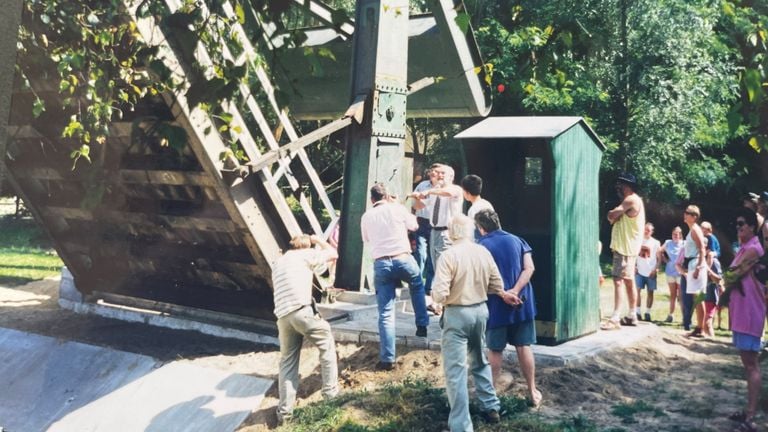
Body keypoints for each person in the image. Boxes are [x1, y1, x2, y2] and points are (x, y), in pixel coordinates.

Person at [431, 214, 507, 431]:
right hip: (481, 311)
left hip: (457, 313)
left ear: (452, 232)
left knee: (455, 371)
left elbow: (439, 293)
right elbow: (497, 284)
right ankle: (490, 406)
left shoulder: (448, 255)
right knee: (479, 359)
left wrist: (441, 300)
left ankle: (461, 424)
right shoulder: (483, 252)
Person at [475, 209, 542, 408]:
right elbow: (529, 268)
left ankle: (491, 396)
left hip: (497, 304)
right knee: (524, 346)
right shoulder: (518, 240)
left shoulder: (481, 246)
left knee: (495, 350)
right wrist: (515, 290)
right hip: (522, 301)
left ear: (481, 228)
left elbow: (482, 277)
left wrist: (505, 293)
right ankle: (532, 391)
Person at [361, 183, 430, 371]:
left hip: (382, 263)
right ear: (387, 196)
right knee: (417, 286)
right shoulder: (397, 209)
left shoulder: (367, 216)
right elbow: (414, 225)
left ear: (372, 199)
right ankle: (422, 325)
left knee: (385, 311)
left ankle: (387, 358)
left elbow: (366, 239)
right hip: (403, 257)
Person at [272, 234, 339, 424]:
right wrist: (317, 240)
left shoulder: (279, 262)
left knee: (287, 362)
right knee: (326, 345)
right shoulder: (306, 254)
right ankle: (331, 396)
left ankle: (284, 414)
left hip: (282, 317)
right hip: (301, 311)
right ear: (306, 246)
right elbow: (333, 253)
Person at [725, 208, 765, 432]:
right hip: (742, 312)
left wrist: (731, 273)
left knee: (751, 365)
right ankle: (748, 411)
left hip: (751, 312)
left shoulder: (753, 249)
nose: (739, 227)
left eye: (742, 224)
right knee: (747, 364)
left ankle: (751, 417)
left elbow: (731, 274)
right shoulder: (744, 248)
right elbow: (732, 273)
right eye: (737, 224)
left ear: (752, 227)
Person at [601, 173, 645, 330]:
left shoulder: (630, 200)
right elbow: (614, 217)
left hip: (624, 247)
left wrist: (613, 215)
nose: (619, 187)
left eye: (622, 184)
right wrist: (615, 216)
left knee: (618, 280)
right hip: (630, 246)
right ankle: (632, 315)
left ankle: (615, 318)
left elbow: (611, 215)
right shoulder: (635, 200)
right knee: (628, 280)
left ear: (628, 186)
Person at [408, 164, 440, 306]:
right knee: (420, 253)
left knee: (432, 256)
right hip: (421, 222)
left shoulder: (442, 189)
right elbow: (415, 205)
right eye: (431, 170)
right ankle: (417, 282)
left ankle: (430, 286)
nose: (432, 173)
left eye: (436, 171)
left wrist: (425, 200)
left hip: (435, 224)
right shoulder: (422, 185)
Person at [676, 205, 708, 337]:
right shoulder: (692, 230)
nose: (685, 214)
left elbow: (702, 249)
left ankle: (701, 328)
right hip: (692, 263)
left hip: (696, 263)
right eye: (685, 212)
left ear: (694, 217)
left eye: (688, 213)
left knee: (699, 297)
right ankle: (699, 327)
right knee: (696, 297)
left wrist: (699, 267)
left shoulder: (695, 230)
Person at [634, 222, 661, 322]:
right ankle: (637, 312)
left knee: (650, 292)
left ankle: (648, 313)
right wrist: (634, 266)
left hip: (650, 271)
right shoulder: (638, 240)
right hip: (639, 271)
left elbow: (659, 259)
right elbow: (633, 255)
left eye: (648, 230)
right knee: (637, 291)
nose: (646, 231)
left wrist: (656, 269)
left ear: (652, 232)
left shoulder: (656, 242)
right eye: (645, 229)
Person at [659, 226, 684, 323]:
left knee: (681, 296)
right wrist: (665, 260)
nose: (676, 236)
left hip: (680, 273)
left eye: (677, 234)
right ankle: (671, 315)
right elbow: (659, 251)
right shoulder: (668, 242)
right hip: (670, 272)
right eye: (674, 234)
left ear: (680, 235)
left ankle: (684, 317)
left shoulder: (684, 244)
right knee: (672, 294)